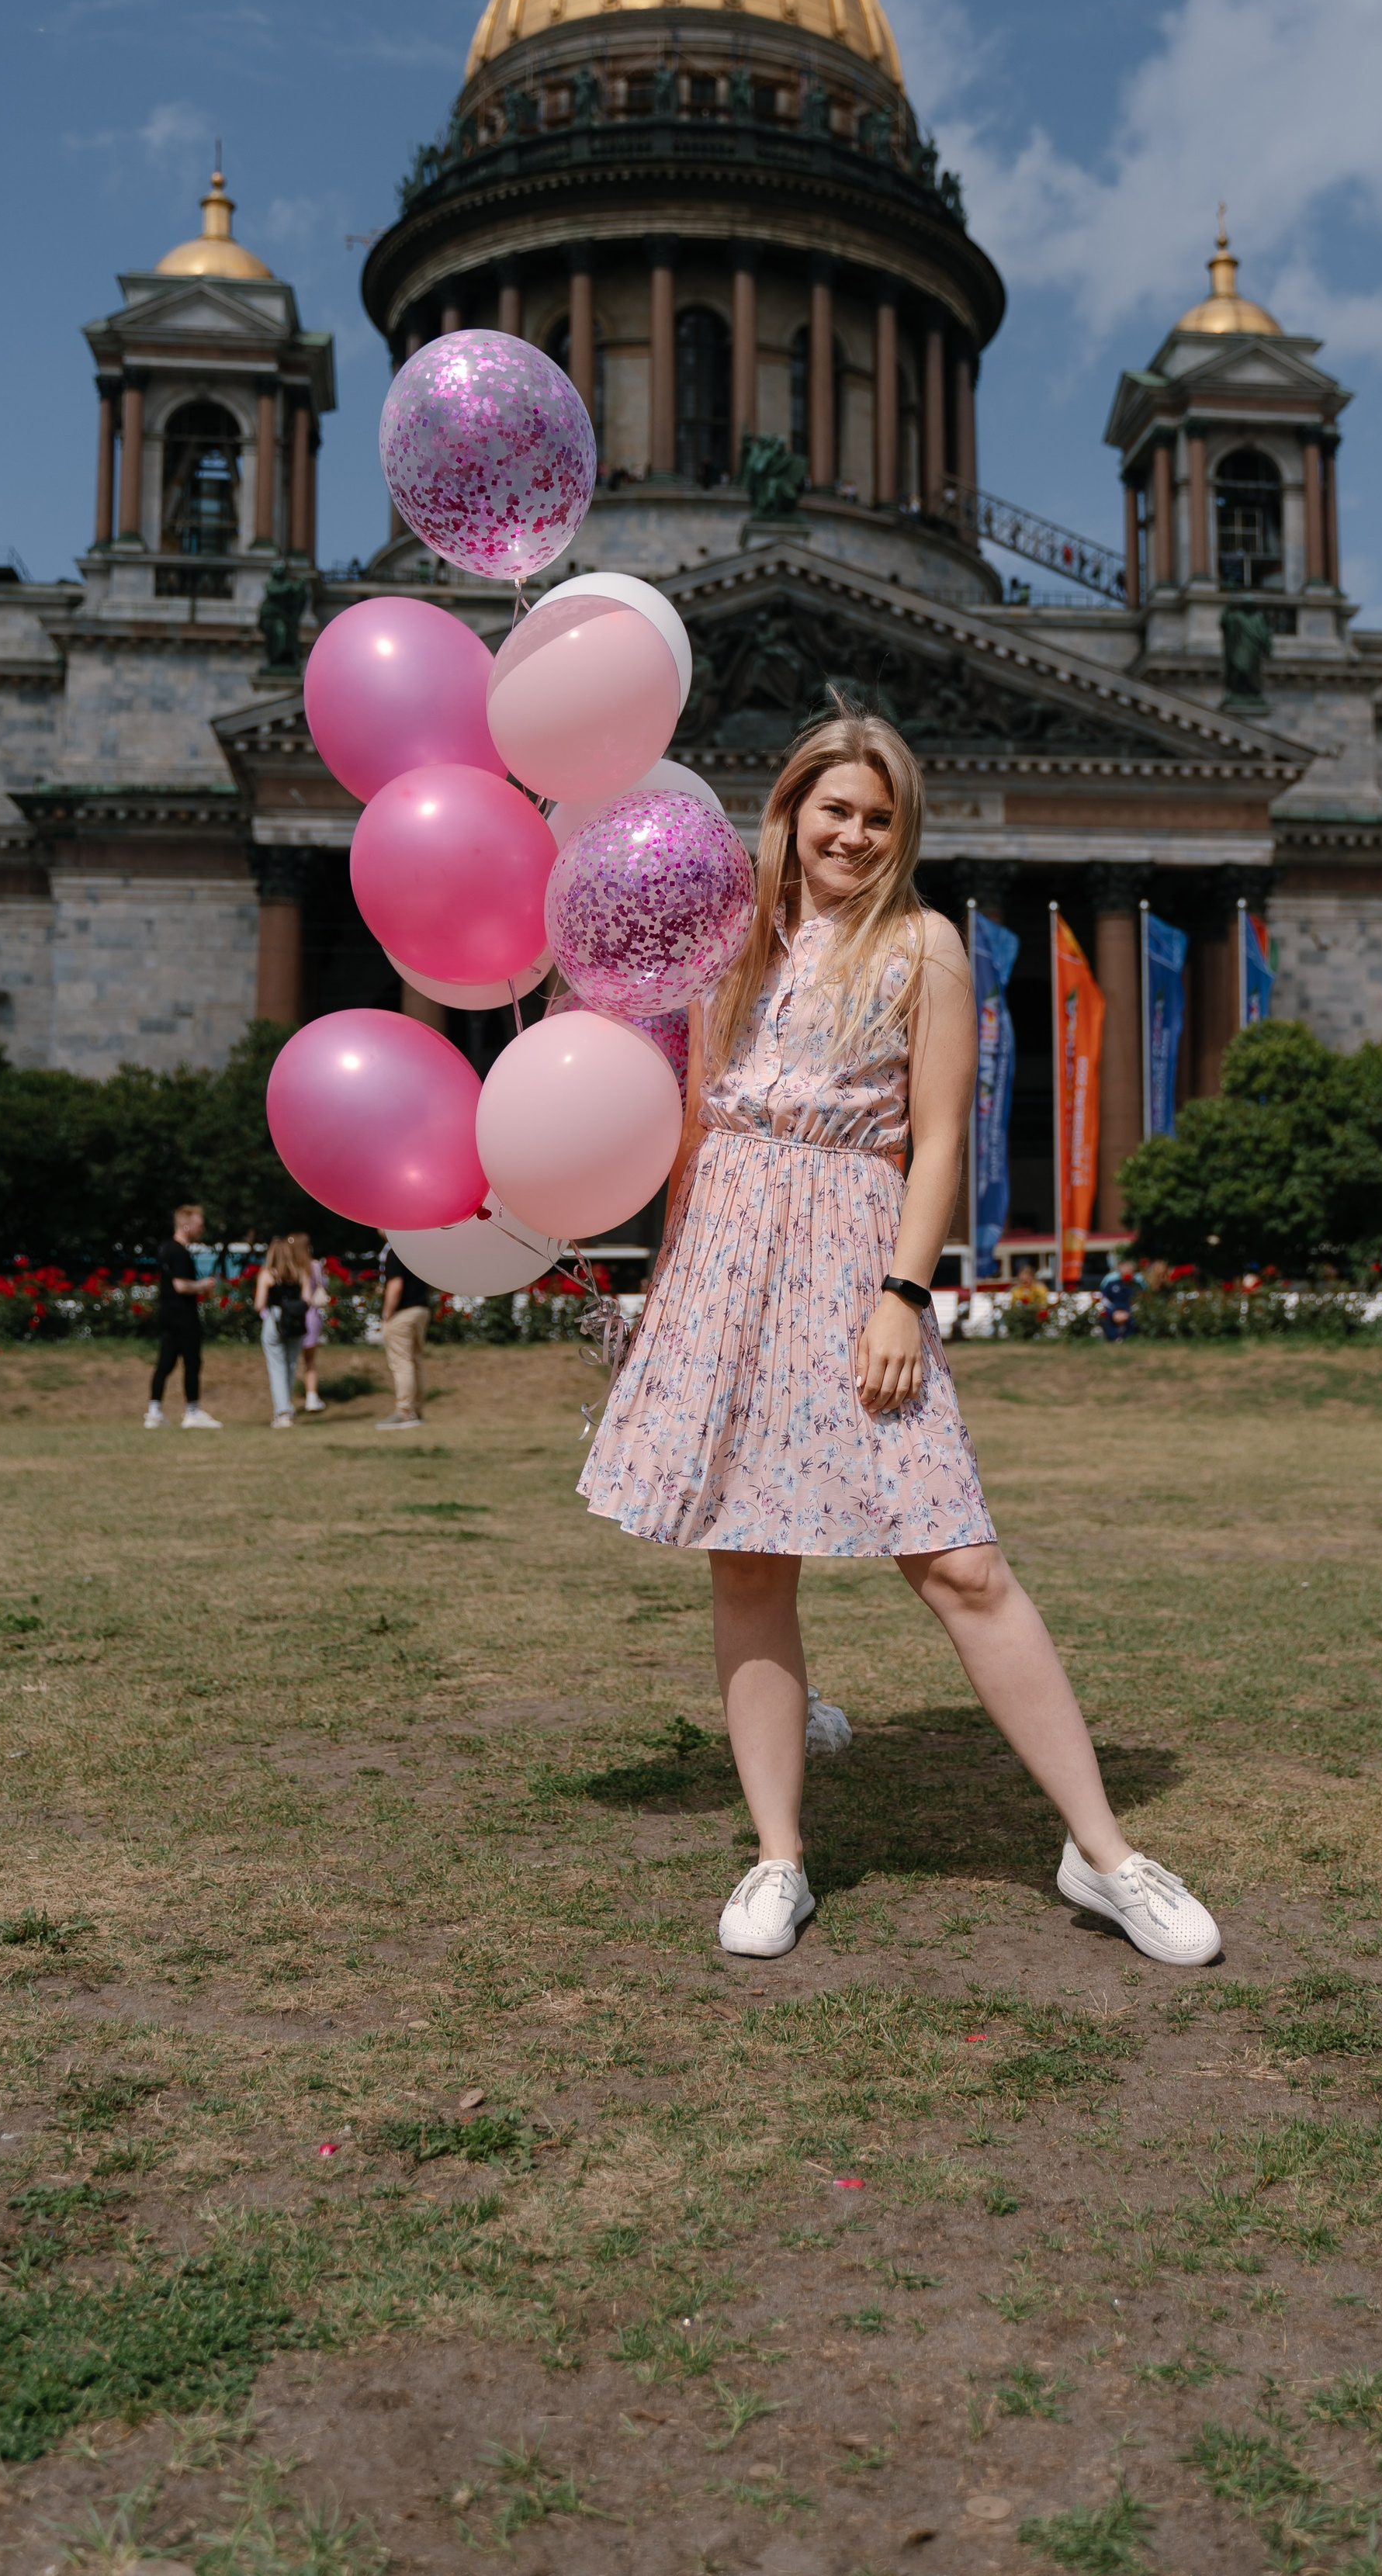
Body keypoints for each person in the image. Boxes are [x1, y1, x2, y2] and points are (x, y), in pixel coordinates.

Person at [579, 708, 1222, 1972]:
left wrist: (901, 1295)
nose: (856, 835)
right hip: (725, 1254)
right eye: (837, 809)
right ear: (790, 810)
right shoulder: (727, 937)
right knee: (748, 1563)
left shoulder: (924, 945)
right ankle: (779, 1856)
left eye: (880, 817)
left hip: (855, 1251)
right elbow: (694, 1125)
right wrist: (665, 1294)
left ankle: (1103, 1853)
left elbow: (938, 1140)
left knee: (961, 1563)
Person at [144, 1203, 221, 1431]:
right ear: (186, 1225)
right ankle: (193, 1411)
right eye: (199, 1225)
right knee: (192, 1361)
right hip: (183, 1314)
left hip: (168, 1313)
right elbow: (180, 1285)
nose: (202, 1229)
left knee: (165, 1363)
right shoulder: (179, 1252)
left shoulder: (166, 1248)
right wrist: (203, 1285)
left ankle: (154, 1412)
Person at [255, 1234, 311, 1429]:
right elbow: (307, 1301)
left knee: (277, 1367)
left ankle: (283, 1412)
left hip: (275, 1320)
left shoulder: (268, 1275)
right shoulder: (301, 1274)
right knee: (291, 1365)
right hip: (296, 1322)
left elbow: (259, 1305)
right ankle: (287, 1406)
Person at [378, 1245, 436, 1429]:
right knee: (415, 1361)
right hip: (421, 1310)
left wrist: (387, 1315)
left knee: (402, 1362)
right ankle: (416, 1411)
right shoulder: (416, 1250)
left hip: (403, 1313)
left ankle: (404, 1412)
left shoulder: (395, 1252)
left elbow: (395, 1286)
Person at [291, 1233, 329, 1412]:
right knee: (310, 1360)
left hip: (293, 1315)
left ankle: (286, 1399)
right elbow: (324, 1285)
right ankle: (312, 1397)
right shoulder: (314, 1266)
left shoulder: (290, 1267)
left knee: (289, 1360)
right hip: (312, 1316)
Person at [1097, 1259, 1141, 1341]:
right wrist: (1114, 1311)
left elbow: (1139, 1300)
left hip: (1130, 1310)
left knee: (1135, 1319)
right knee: (1105, 1318)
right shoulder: (1112, 1284)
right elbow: (1104, 1298)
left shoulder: (1136, 1285)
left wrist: (1128, 1312)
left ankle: (1128, 1338)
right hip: (1113, 1310)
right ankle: (1115, 1338)